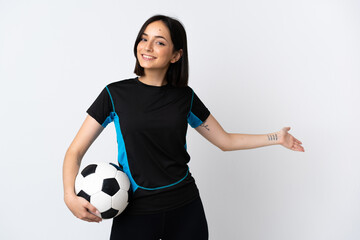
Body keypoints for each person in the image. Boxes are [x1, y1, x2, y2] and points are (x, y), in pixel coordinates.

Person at [63, 15, 305, 240]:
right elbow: (75, 151)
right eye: (144, 39)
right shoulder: (114, 95)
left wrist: (277, 137)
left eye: (159, 42)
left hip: (185, 209)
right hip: (135, 212)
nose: (147, 47)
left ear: (176, 55)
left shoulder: (185, 97)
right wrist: (69, 196)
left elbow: (225, 141)